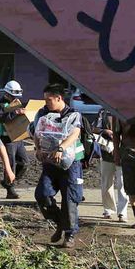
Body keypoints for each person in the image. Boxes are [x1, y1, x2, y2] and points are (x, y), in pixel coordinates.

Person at [30, 83, 85, 249]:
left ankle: (69, 234)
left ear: (59, 98)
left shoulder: (73, 114)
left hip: (71, 163)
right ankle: (60, 222)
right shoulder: (43, 113)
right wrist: (38, 149)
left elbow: (75, 133)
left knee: (69, 199)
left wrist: (61, 148)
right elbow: (36, 132)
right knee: (42, 194)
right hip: (50, 162)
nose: (46, 103)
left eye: (49, 100)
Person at [0, 80, 27, 199]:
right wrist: (16, 112)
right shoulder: (0, 105)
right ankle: (10, 190)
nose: (15, 98)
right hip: (7, 139)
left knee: (24, 163)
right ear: (7, 94)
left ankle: (8, 182)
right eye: (13, 96)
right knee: (10, 165)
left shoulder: (16, 103)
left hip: (18, 138)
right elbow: (1, 118)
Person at [94, 109, 127, 222]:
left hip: (123, 152)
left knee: (122, 183)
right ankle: (108, 209)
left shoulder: (126, 111)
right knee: (106, 182)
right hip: (107, 152)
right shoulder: (103, 112)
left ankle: (122, 212)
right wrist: (105, 131)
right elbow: (94, 128)